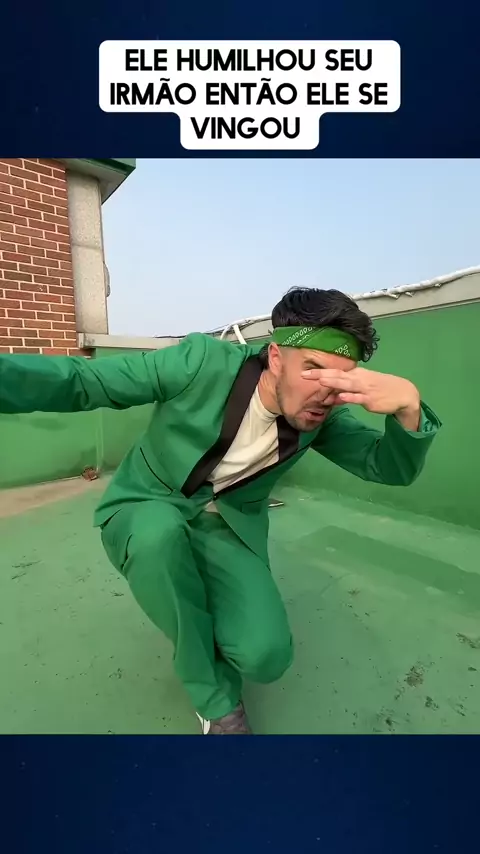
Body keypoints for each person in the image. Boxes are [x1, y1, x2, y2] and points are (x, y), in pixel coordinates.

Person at [0, 288, 441, 734]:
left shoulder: (321, 417)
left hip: (225, 524)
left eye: (342, 380)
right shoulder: (201, 363)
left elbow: (387, 466)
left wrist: (408, 407)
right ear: (275, 357)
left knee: (265, 655)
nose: (327, 393)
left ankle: (190, 600)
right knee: (157, 539)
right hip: (147, 504)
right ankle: (212, 696)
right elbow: (83, 381)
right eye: (313, 368)